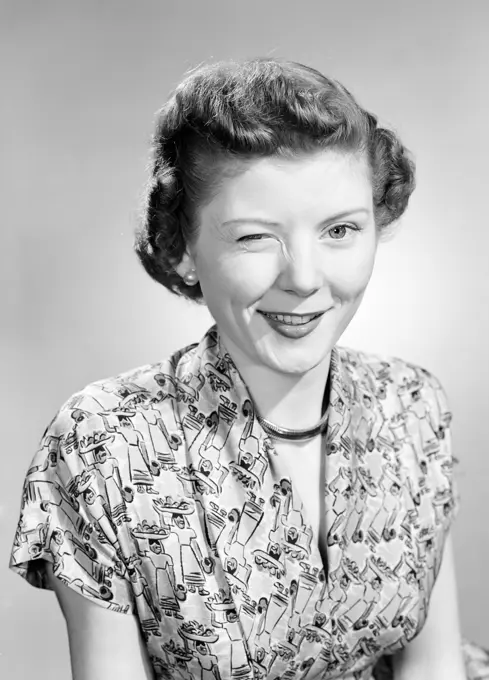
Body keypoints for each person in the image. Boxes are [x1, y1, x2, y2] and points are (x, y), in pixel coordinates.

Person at [9, 57, 489, 680]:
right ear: (183, 249)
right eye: (254, 238)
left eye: (341, 229)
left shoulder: (411, 402)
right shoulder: (104, 442)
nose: (306, 279)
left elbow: (434, 668)